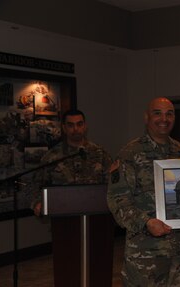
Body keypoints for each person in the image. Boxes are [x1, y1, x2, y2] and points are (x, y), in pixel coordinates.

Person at [107, 97, 180, 287]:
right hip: (145, 253)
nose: (163, 119)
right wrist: (146, 222)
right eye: (157, 113)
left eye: (169, 114)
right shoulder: (130, 153)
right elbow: (118, 201)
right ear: (146, 117)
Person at [32, 109, 113, 287]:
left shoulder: (99, 153)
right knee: (68, 271)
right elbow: (37, 185)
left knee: (98, 270)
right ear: (64, 128)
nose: (75, 129)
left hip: (97, 223)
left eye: (79, 124)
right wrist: (37, 202)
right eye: (70, 125)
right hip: (65, 225)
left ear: (85, 126)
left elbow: (114, 183)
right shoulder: (52, 156)